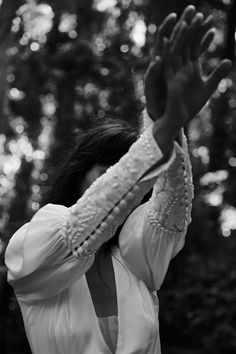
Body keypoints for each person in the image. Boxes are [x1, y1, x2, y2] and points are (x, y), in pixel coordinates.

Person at [4, 6, 231, 354]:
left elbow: (169, 207)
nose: (122, 177)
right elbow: (80, 227)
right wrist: (160, 132)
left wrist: (164, 122)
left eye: (126, 167)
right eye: (108, 166)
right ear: (81, 171)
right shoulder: (33, 245)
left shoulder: (134, 256)